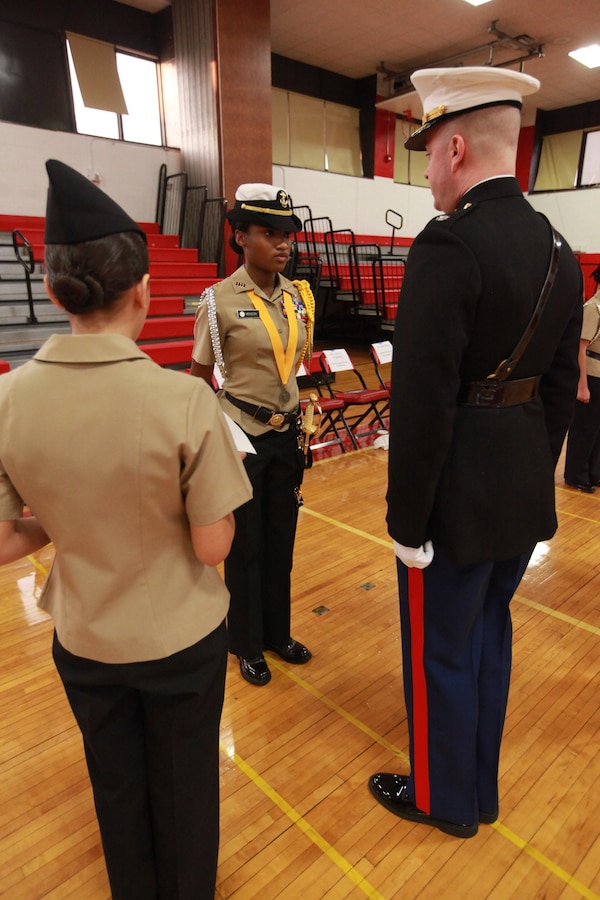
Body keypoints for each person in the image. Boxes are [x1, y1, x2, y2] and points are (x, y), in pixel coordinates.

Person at [0, 160, 252, 899]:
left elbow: (7, 539)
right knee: (184, 791)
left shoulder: (9, 400)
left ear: (55, 292)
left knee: (116, 786)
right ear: (143, 290)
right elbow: (213, 546)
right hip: (178, 639)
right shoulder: (182, 402)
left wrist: (67, 518)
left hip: (84, 639)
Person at [368, 67, 583, 838]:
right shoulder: (559, 250)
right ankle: (478, 790)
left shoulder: (447, 245)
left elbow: (421, 402)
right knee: (488, 637)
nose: (426, 167)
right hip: (519, 491)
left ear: (456, 148)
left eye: (428, 150)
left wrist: (406, 521)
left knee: (440, 653)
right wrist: (529, 471)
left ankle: (444, 800)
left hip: (452, 498)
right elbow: (558, 389)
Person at [190, 184, 314, 687]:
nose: (283, 244)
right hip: (241, 438)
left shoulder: (297, 296)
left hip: (287, 435)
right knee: (245, 547)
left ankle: (276, 633)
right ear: (240, 236)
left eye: (287, 235)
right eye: (269, 233)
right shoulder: (218, 301)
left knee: (281, 540)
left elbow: (293, 366)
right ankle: (245, 642)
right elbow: (198, 381)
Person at [564, 264, 600, 492]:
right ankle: (576, 474)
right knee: (585, 428)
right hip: (591, 375)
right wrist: (582, 385)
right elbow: (581, 347)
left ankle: (594, 471)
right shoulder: (593, 308)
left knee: (597, 429)